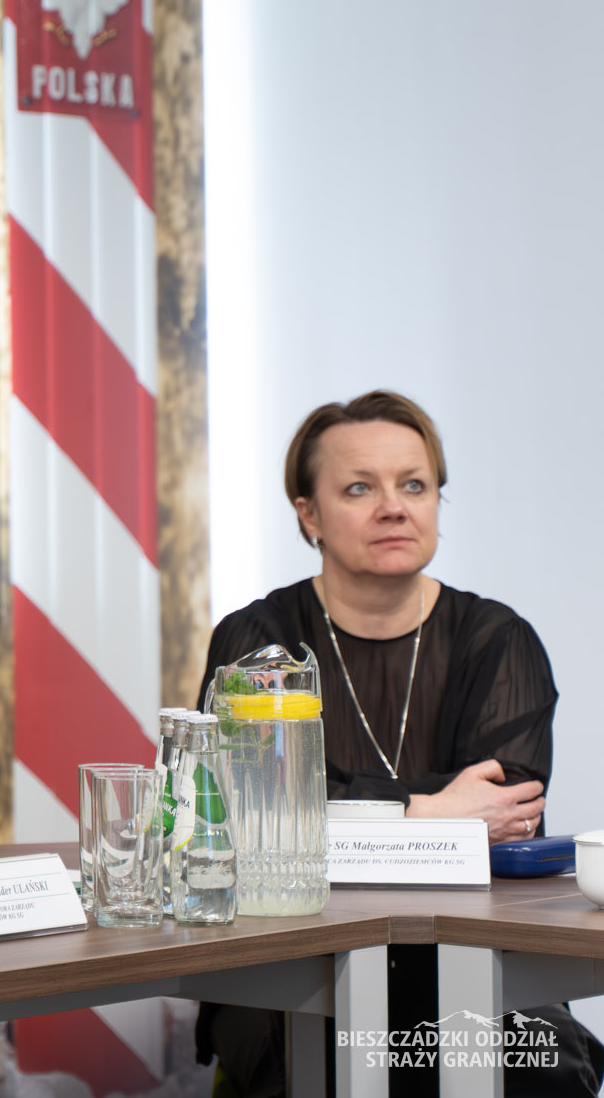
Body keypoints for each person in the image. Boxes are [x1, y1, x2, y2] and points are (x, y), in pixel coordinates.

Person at [195, 390, 599, 1096]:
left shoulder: (497, 639)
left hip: (473, 949)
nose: (393, 507)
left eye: (414, 485)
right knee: (327, 1066)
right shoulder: (257, 641)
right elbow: (248, 820)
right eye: (360, 487)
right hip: (290, 952)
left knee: (541, 1068)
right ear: (309, 514)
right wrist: (434, 811)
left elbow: (506, 815)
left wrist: (339, 807)